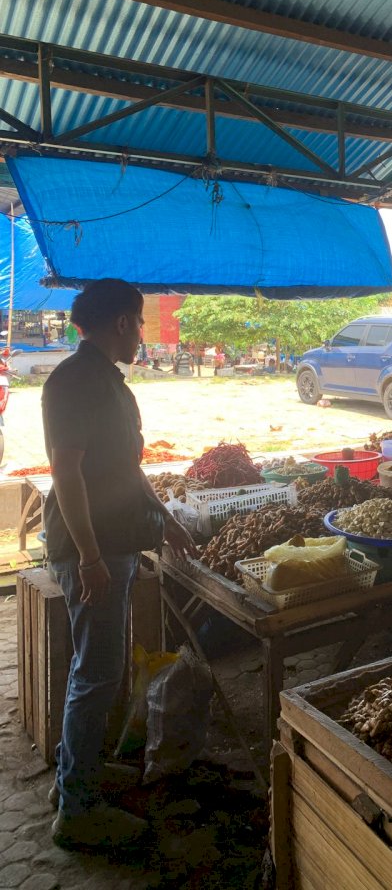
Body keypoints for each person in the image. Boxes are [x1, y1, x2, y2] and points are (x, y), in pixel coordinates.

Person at [42, 279, 196, 850]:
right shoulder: (74, 382)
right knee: (96, 674)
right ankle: (77, 812)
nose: (146, 333)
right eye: (141, 321)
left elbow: (129, 469)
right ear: (123, 323)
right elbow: (66, 472)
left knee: (98, 668)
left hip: (115, 544)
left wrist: (165, 518)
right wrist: (87, 558)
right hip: (93, 550)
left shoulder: (106, 381)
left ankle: (72, 775)